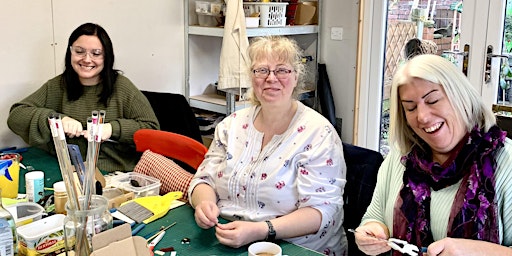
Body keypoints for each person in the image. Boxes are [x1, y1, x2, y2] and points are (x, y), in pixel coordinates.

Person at [188, 36, 347, 255]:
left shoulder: (318, 133)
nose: (271, 78)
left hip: (296, 247)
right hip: (226, 237)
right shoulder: (231, 125)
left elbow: (323, 210)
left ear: (296, 76)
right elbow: (203, 180)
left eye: (282, 70)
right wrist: (203, 204)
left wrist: (261, 230)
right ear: (252, 77)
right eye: (261, 70)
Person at [354, 54, 512, 256]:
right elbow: (374, 218)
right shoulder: (400, 158)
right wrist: (372, 231)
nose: (422, 117)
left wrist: (480, 252)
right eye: (410, 107)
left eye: (433, 100)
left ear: (460, 96)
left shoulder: (506, 162)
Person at [7, 23, 159, 172]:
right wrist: (58, 121)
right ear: (70, 52)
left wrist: (112, 129)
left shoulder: (122, 87)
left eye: (96, 53)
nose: (87, 59)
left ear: (106, 56)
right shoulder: (58, 85)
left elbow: (152, 129)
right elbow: (16, 115)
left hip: (115, 174)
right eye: (79, 51)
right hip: (68, 169)